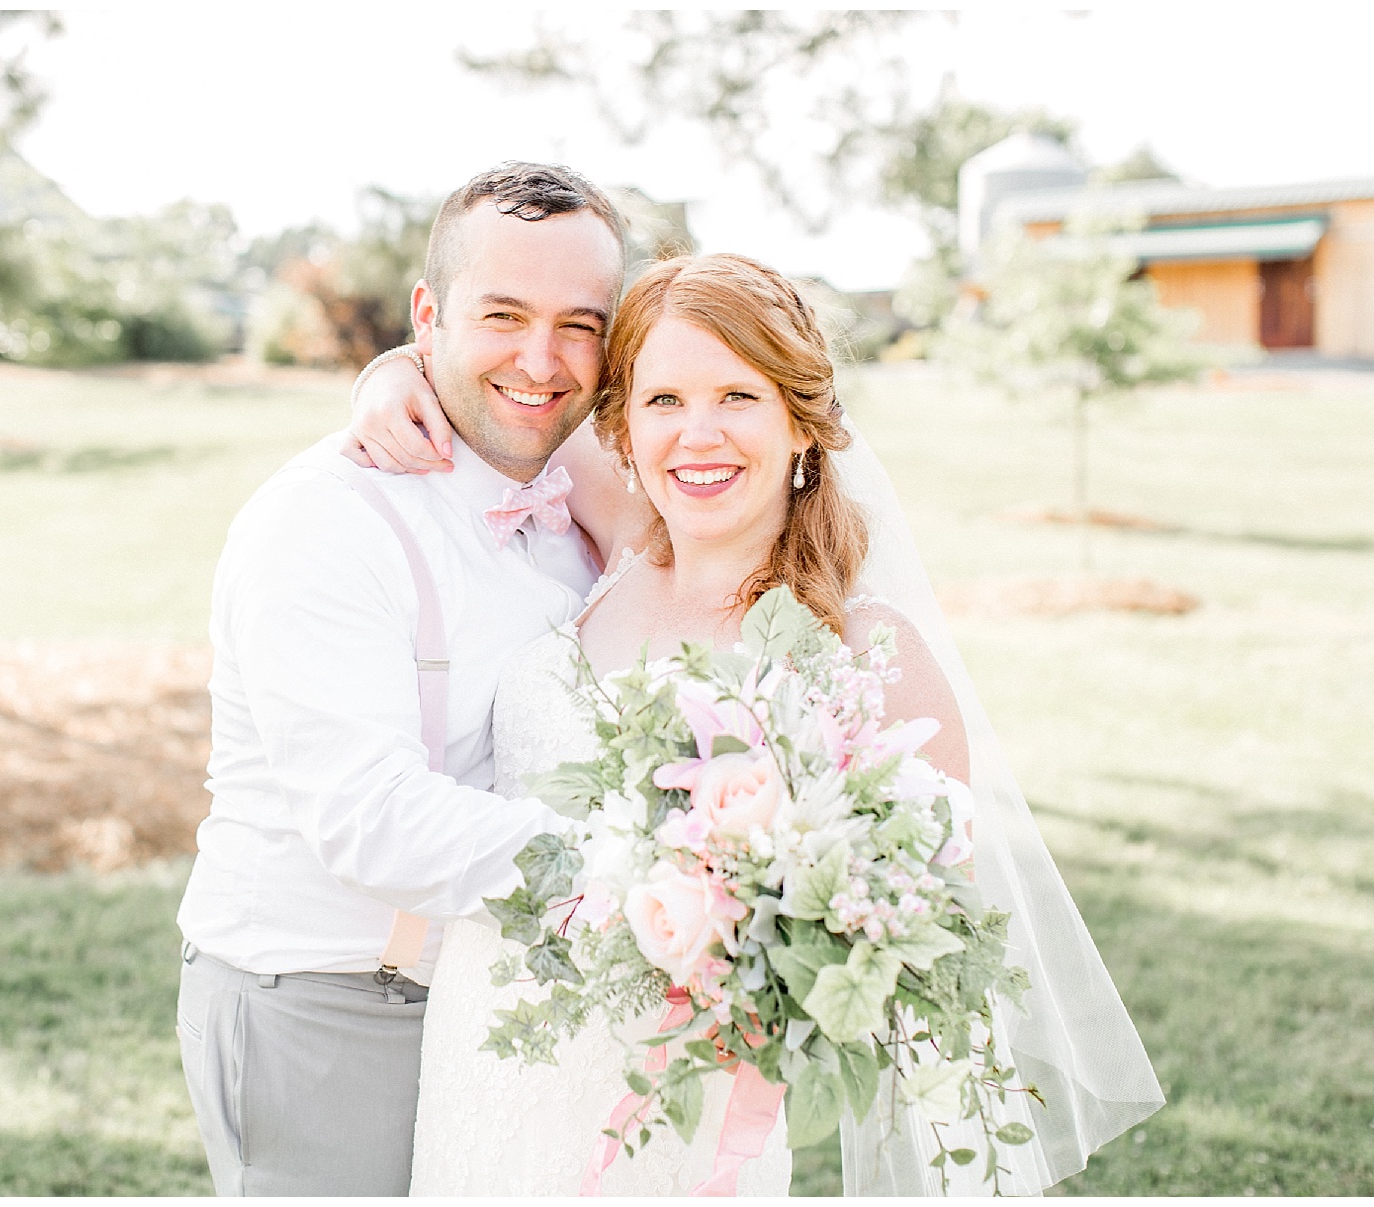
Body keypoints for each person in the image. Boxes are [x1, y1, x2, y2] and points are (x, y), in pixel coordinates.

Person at [348, 254, 1164, 1194]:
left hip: (675, 1116)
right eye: (662, 401)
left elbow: (921, 943)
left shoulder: (865, 652)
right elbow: (501, 391)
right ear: (623, 426)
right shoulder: (615, 535)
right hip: (483, 1067)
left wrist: (762, 936)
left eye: (738, 394)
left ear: (802, 426)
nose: (697, 436)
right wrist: (388, 375)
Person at [172, 162, 630, 1196]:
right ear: (428, 316)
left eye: (579, 325)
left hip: (503, 997)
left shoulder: (588, 493)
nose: (540, 359)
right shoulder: (326, 521)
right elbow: (367, 817)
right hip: (331, 1000)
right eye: (502, 315)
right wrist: (649, 874)